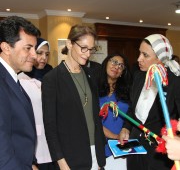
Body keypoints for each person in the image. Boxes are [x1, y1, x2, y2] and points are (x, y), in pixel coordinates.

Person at [42, 25, 106, 170]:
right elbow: (50, 126)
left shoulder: (91, 75)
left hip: (96, 154)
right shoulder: (52, 79)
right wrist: (61, 162)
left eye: (91, 49)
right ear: (69, 44)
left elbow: (94, 116)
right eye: (83, 48)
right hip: (70, 158)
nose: (87, 53)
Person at [119, 34, 180, 170]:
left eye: (145, 55)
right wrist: (126, 128)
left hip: (159, 151)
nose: (138, 59)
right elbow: (132, 108)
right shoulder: (139, 76)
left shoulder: (175, 82)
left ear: (160, 58)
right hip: (135, 144)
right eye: (139, 53)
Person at [0, 16, 39, 169]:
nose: (35, 55)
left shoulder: (11, 78)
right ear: (6, 47)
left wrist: (32, 164)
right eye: (28, 48)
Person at [18, 37, 56, 170]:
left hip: (53, 138)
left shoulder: (53, 76)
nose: (43, 58)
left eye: (47, 54)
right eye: (40, 53)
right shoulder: (21, 78)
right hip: (33, 140)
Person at [99, 53, 132, 170]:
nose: (117, 66)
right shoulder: (93, 89)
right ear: (106, 63)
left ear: (122, 72)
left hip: (120, 147)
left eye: (121, 66)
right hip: (99, 145)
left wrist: (120, 137)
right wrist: (114, 136)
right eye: (113, 62)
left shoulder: (128, 92)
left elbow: (132, 117)